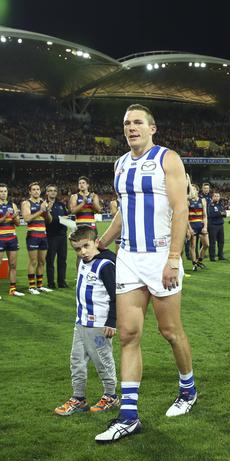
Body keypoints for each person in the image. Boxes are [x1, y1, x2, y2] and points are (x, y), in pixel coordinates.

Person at [95, 103, 197, 443]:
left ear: (152, 128)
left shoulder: (167, 159)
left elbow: (181, 209)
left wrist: (173, 258)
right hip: (129, 257)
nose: (131, 127)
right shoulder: (120, 164)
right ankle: (128, 416)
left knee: (170, 331)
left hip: (160, 256)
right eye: (126, 123)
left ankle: (188, 390)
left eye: (137, 122)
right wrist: (103, 241)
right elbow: (125, 212)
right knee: (128, 335)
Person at [54, 226, 119, 416]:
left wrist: (111, 321)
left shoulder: (105, 265)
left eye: (86, 246)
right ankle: (79, 398)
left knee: (102, 360)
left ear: (96, 242)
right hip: (80, 323)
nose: (82, 252)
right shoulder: (83, 261)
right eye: (77, 248)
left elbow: (115, 295)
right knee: (76, 361)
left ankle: (111, 396)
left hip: (99, 326)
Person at [21, 182, 52, 295]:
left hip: (43, 234)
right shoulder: (26, 203)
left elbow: (49, 220)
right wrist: (41, 210)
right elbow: (27, 218)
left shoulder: (43, 203)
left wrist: (47, 211)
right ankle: (31, 286)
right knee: (33, 261)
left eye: (38, 189)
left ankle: (39, 286)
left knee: (42, 261)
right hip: (33, 235)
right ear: (30, 191)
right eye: (33, 189)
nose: (36, 191)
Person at [0, 183, 24, 296]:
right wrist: (5, 216)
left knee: (13, 264)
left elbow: (18, 223)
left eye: (5, 191)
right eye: (1, 191)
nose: (3, 193)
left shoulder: (13, 205)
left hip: (12, 237)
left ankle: (12, 289)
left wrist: (14, 217)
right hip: (0, 238)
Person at [45, 184, 69, 289]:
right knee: (50, 260)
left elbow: (66, 217)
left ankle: (61, 282)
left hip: (62, 235)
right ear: (47, 193)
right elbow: (48, 221)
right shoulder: (44, 205)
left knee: (62, 260)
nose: (53, 192)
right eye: (50, 190)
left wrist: (58, 219)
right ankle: (51, 283)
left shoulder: (61, 204)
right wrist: (60, 219)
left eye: (54, 190)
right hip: (50, 236)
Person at [187, 184, 209, 271]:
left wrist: (205, 227)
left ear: (197, 191)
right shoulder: (188, 201)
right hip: (192, 225)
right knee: (193, 246)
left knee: (206, 244)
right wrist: (189, 228)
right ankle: (194, 264)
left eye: (194, 189)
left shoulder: (202, 200)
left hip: (201, 225)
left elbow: (205, 215)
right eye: (190, 189)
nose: (192, 191)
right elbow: (186, 216)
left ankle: (199, 260)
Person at [207, 191, 226, 261]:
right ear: (212, 197)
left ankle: (220, 255)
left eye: (218, 196)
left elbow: (225, 214)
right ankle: (212, 257)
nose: (217, 197)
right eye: (215, 196)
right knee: (212, 242)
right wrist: (220, 213)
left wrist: (219, 213)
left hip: (220, 225)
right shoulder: (210, 205)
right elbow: (211, 214)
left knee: (221, 241)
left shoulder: (220, 205)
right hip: (213, 225)